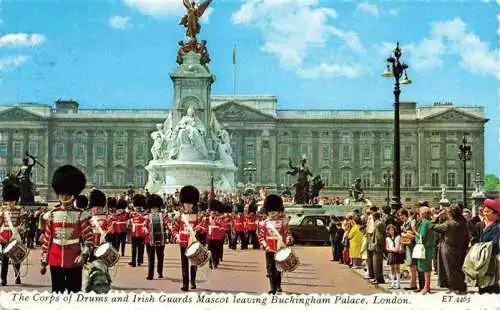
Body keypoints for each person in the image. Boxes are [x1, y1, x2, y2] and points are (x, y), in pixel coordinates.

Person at [40, 165, 95, 293]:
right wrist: (44, 261)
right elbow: (47, 240)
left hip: (74, 258)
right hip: (55, 258)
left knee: (73, 292)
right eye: (62, 194)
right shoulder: (52, 214)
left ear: (73, 195)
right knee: (57, 292)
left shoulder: (81, 215)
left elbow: (89, 239)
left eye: (67, 194)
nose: (64, 197)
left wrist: (84, 255)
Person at [171, 185, 205, 291]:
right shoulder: (179, 216)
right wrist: (176, 236)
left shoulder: (198, 216)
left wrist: (200, 228)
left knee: (194, 263)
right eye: (186, 204)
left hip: (193, 242)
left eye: (190, 204)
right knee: (184, 264)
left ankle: (193, 281)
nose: (188, 206)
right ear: (183, 204)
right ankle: (185, 284)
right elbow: (174, 228)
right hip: (183, 242)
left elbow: (204, 228)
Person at [429, 205, 470, 294]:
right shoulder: (463, 223)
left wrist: (437, 216)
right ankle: (461, 287)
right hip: (460, 249)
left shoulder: (449, 224)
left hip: (448, 249)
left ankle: (453, 287)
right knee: (459, 269)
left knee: (449, 269)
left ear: (451, 214)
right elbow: (467, 237)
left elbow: (432, 226)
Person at [258, 194, 293, 294]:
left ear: (278, 211)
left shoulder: (283, 223)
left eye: (274, 210)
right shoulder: (264, 223)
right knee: (270, 268)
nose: (272, 212)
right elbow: (261, 236)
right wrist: (265, 245)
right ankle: (272, 287)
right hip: (269, 248)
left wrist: (289, 238)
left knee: (279, 268)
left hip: (280, 248)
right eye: (270, 210)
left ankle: (278, 285)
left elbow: (287, 233)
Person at [0, 176, 24, 286]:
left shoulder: (20, 211)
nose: (10, 202)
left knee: (16, 259)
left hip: (15, 237)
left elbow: (24, 224)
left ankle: (17, 275)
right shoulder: (3, 211)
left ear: (15, 200)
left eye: (12, 200)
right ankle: (3, 279)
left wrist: (19, 229)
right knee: (4, 260)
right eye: (8, 200)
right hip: (4, 237)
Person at [144, 194, 169, 280]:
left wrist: (169, 226)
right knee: (151, 258)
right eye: (152, 208)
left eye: (155, 208)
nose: (154, 209)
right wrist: (145, 229)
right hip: (149, 239)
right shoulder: (147, 217)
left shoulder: (163, 216)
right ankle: (150, 274)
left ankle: (160, 272)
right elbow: (144, 225)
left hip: (160, 238)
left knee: (160, 256)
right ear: (150, 208)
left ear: (158, 208)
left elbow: (167, 223)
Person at [477, 199, 500, 294]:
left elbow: (496, 243)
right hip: (485, 258)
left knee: (490, 284)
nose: (484, 214)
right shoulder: (488, 224)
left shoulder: (497, 226)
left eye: (487, 211)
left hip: (491, 259)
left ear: (495, 214)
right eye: (484, 211)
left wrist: (482, 247)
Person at [416, 206, 437, 295]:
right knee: (425, 267)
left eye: (419, 213)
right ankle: (426, 286)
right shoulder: (425, 222)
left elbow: (421, 236)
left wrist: (413, 231)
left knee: (425, 268)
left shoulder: (425, 223)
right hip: (427, 246)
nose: (418, 215)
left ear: (423, 214)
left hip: (425, 247)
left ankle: (426, 287)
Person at [129, 194, 147, 267]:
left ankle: (139, 260)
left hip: (141, 233)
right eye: (136, 207)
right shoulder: (132, 214)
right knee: (133, 249)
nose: (137, 208)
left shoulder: (144, 214)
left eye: (138, 207)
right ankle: (133, 262)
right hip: (134, 233)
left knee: (141, 248)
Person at [206, 199, 225, 269]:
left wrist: (221, 234)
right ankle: (210, 263)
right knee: (210, 251)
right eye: (212, 213)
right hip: (210, 237)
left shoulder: (219, 219)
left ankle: (215, 262)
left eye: (214, 213)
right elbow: (204, 226)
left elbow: (223, 227)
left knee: (216, 251)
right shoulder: (207, 219)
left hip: (217, 237)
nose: (213, 214)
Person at [386, 224, 404, 289]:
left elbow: (401, 243)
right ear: (388, 231)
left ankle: (398, 284)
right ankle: (392, 283)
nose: (391, 231)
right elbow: (387, 247)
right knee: (392, 269)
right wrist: (392, 249)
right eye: (390, 230)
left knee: (397, 268)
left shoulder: (398, 236)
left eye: (392, 230)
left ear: (394, 230)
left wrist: (400, 248)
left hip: (397, 253)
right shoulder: (387, 238)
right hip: (391, 253)